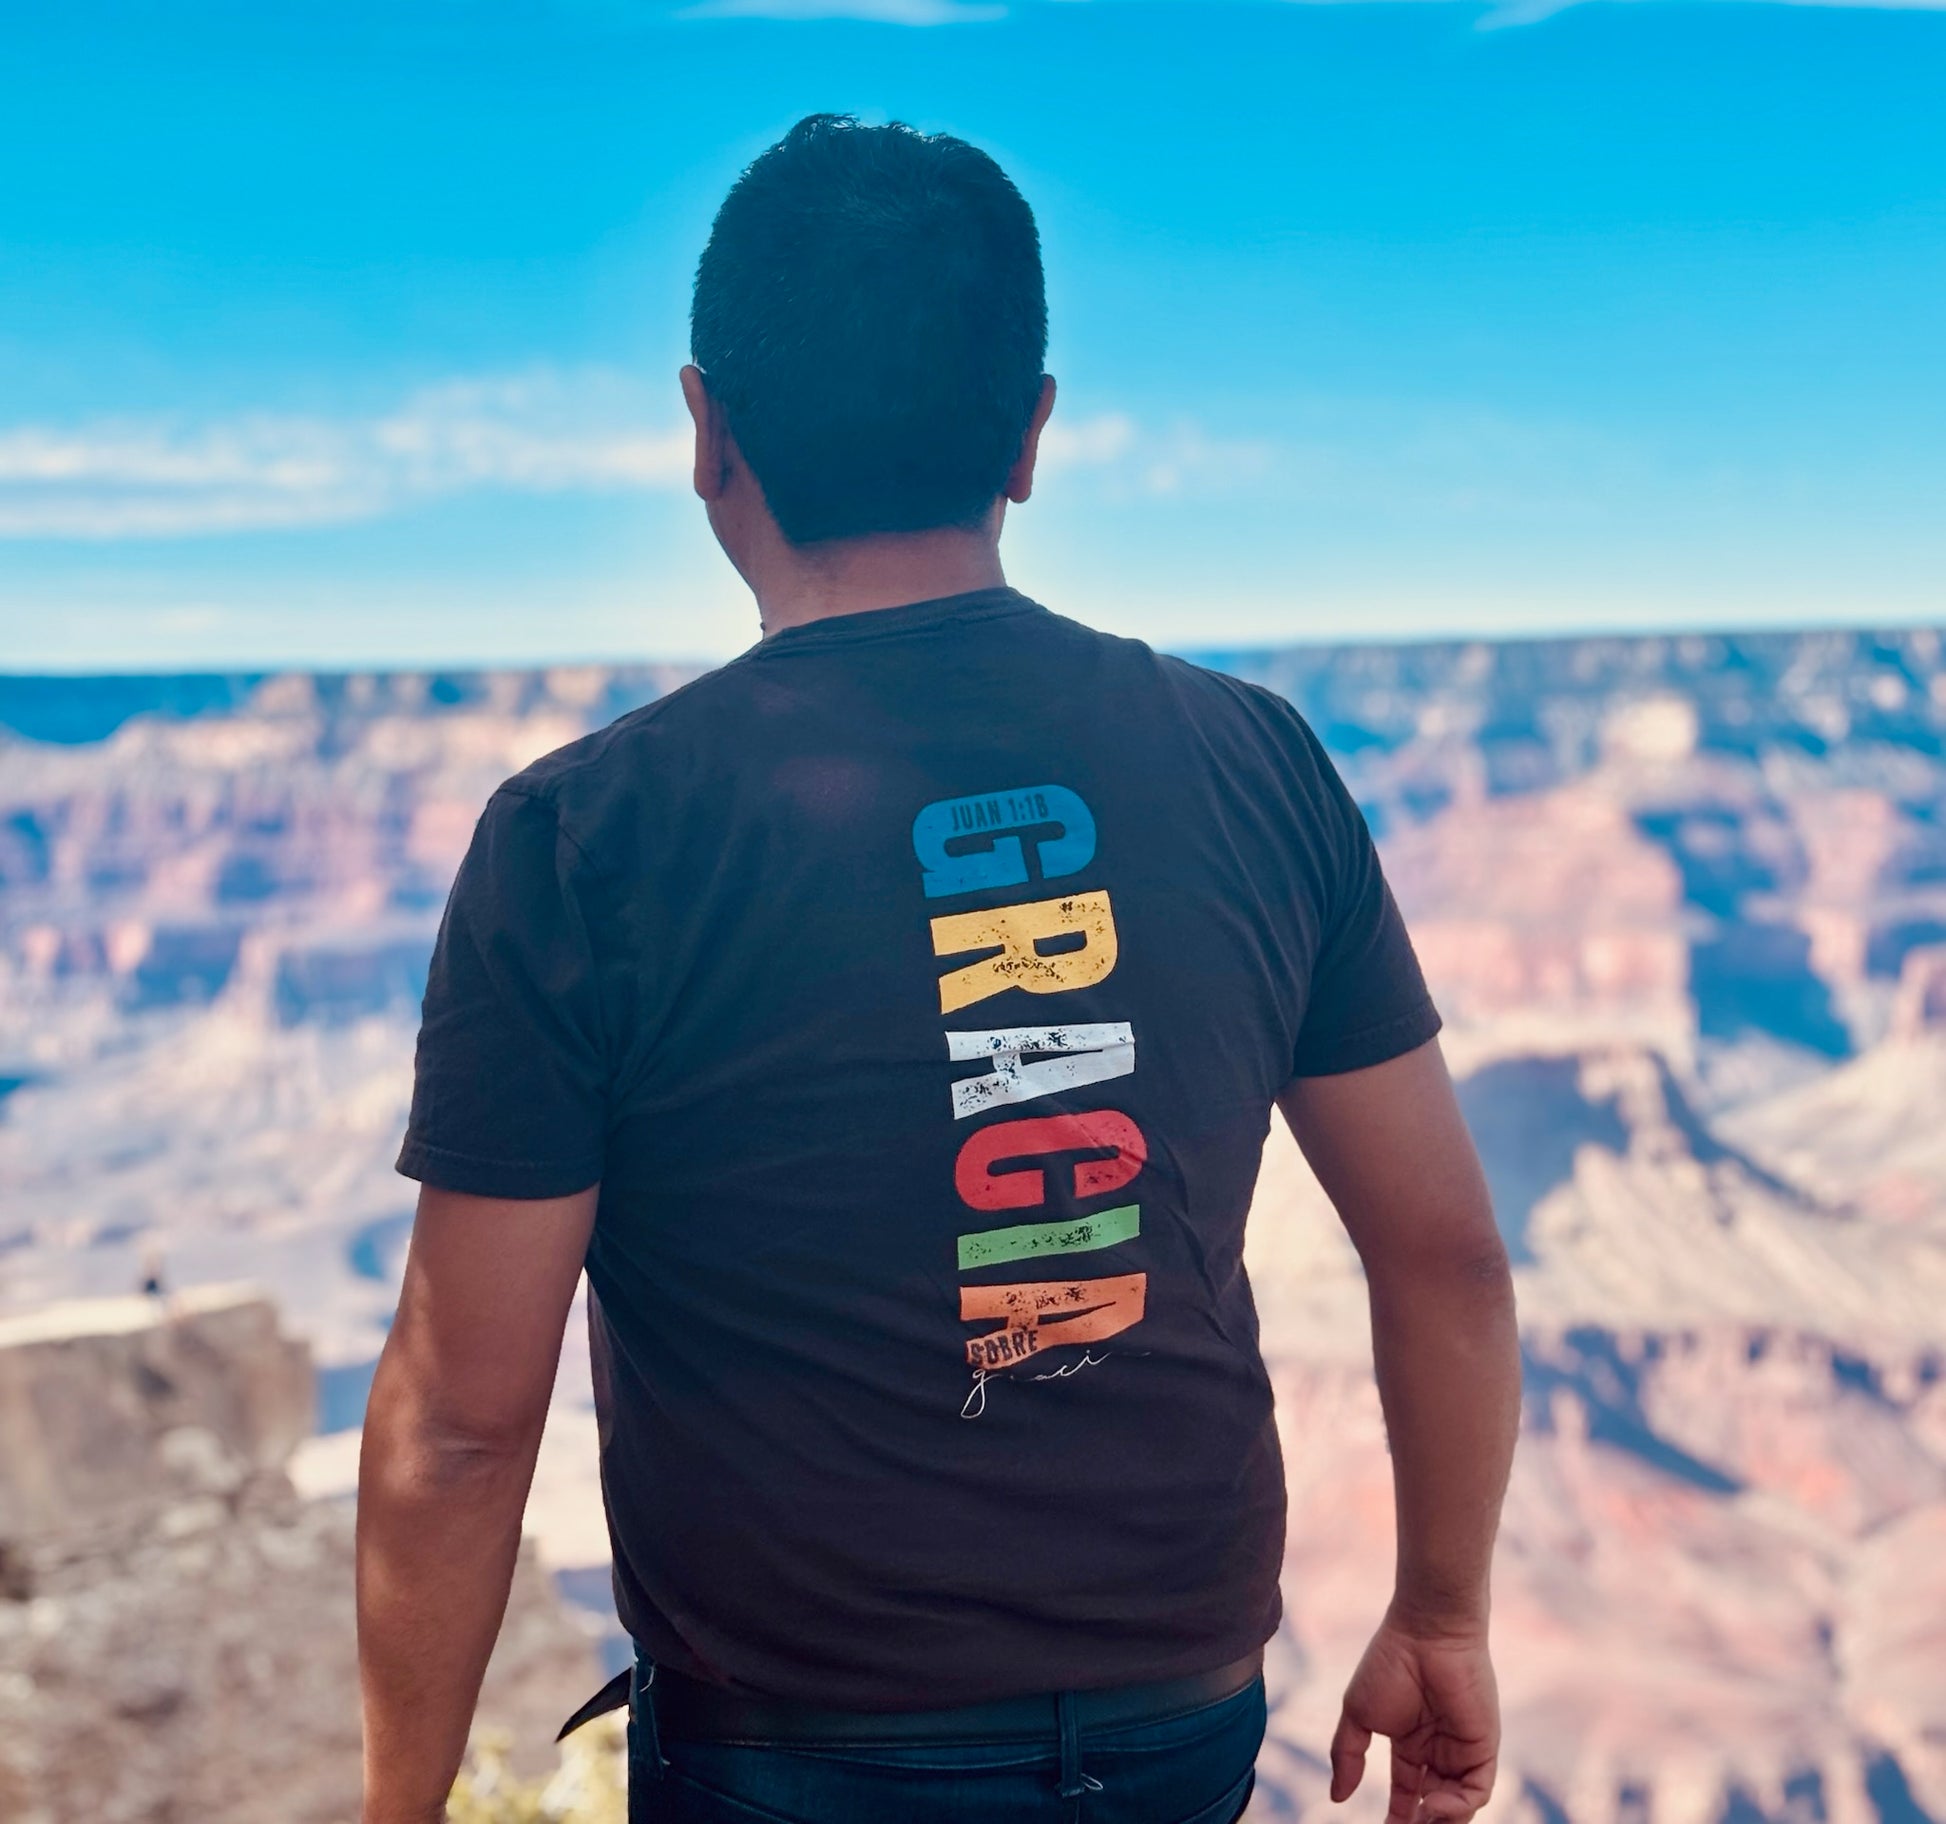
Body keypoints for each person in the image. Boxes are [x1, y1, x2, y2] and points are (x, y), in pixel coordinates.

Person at [356, 114, 1520, 1824]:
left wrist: (399, 1805)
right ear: (1031, 432)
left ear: (705, 435)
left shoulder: (586, 836)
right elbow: (1446, 1256)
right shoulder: (1255, 761)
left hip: (794, 1759)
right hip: (1178, 1723)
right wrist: (1438, 1614)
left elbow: (461, 1419)